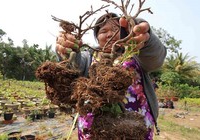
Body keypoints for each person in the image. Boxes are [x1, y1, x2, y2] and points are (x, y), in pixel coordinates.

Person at [56, 12, 167, 140]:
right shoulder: (88, 57)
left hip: (135, 126)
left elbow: (155, 58)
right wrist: (67, 50)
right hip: (96, 128)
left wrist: (143, 37)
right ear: (97, 37)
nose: (110, 34)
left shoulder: (136, 54)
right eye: (103, 31)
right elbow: (73, 66)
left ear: (125, 33)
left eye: (116, 29)